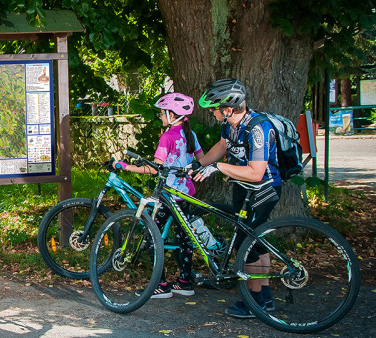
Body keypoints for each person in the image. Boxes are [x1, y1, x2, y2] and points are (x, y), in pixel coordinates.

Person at [193, 78, 281, 318]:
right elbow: (222, 147)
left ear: (228, 109)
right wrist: (198, 165)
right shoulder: (230, 125)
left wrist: (219, 168)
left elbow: (256, 172)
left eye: (214, 108)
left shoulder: (257, 129)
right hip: (243, 188)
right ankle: (264, 296)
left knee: (246, 241)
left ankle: (255, 302)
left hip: (263, 188)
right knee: (256, 240)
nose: (212, 112)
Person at [114, 92, 204, 298]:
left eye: (162, 113)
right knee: (184, 237)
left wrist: (126, 166)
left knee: (151, 236)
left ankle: (161, 285)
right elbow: (201, 158)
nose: (160, 117)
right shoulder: (190, 134)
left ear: (173, 115)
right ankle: (184, 281)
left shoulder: (167, 137)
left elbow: (155, 169)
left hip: (167, 195)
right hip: (185, 194)